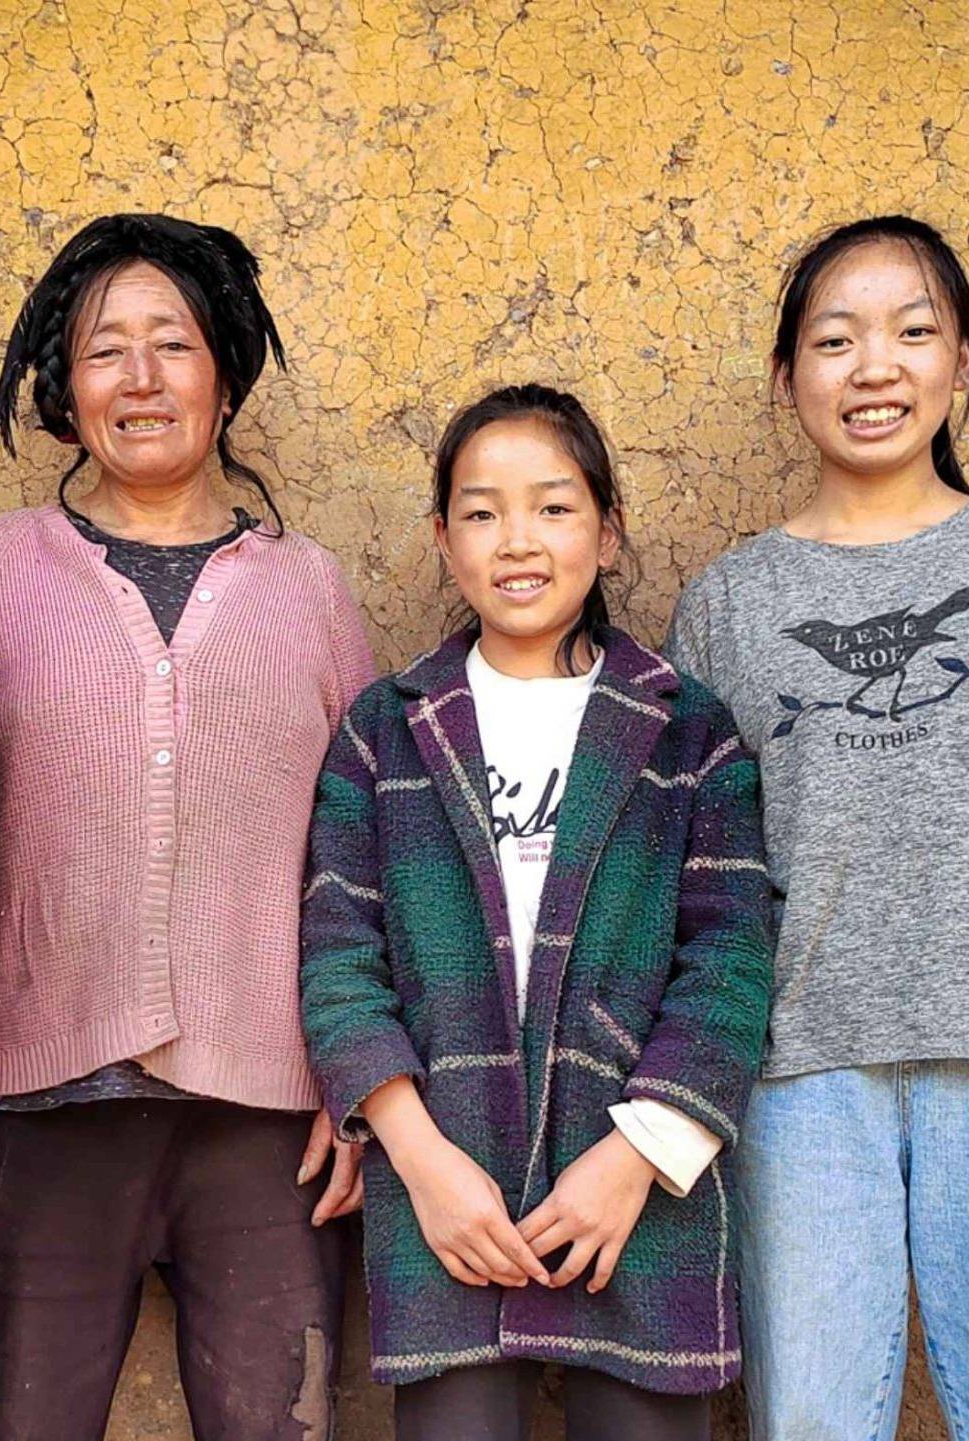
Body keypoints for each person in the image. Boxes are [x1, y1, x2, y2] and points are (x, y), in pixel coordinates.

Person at [0, 212, 376, 1440]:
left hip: (269, 1124)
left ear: (224, 373)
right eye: (102, 351)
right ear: (62, 389)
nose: (139, 380)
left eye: (171, 345)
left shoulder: (312, 589)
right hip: (39, 1112)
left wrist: (359, 1085)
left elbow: (359, 859)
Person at [300, 384, 772, 1440]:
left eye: (553, 507)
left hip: (642, 1190)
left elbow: (730, 957)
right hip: (446, 1193)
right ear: (441, 538)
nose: (517, 539)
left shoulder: (684, 729)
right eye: (480, 511)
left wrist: (636, 1155)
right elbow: (339, 956)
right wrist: (420, 1162)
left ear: (607, 531)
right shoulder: (389, 728)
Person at [667, 216, 969, 1441]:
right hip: (803, 1068)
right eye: (835, 339)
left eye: (912, 332)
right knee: (812, 1419)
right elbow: (695, 864)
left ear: (964, 361)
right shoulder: (728, 602)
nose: (874, 367)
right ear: (788, 379)